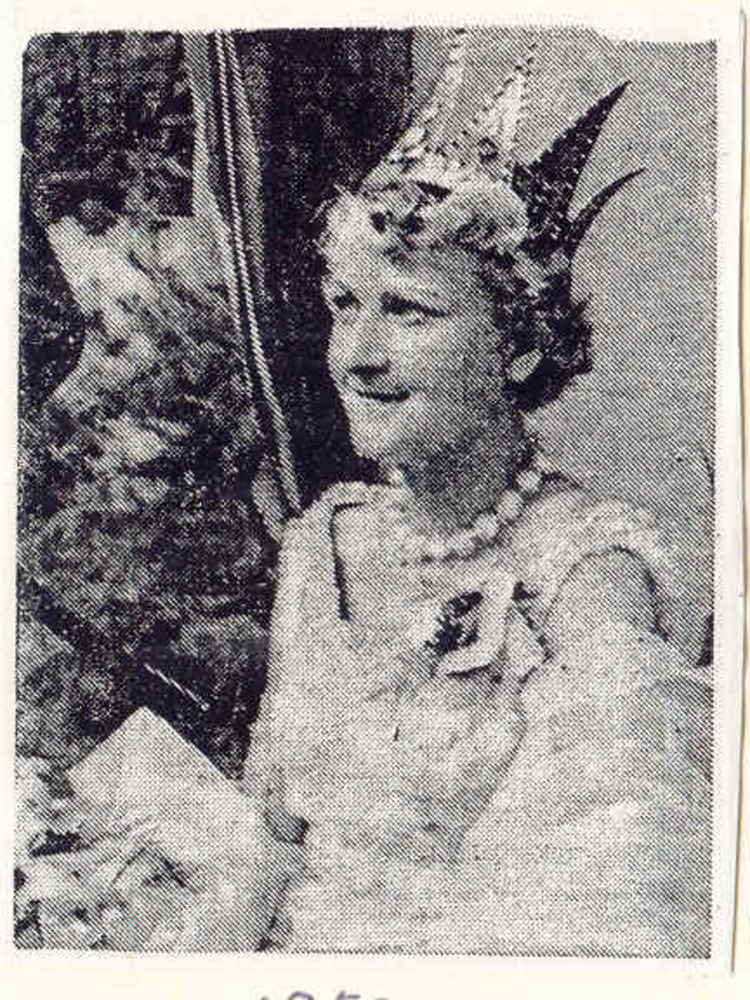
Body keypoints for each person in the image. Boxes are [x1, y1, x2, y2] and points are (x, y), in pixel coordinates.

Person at [240, 33, 712, 956]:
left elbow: (608, 907)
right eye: (345, 304)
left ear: (519, 348)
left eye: (408, 310)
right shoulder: (325, 541)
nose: (358, 356)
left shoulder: (585, 573)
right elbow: (268, 839)